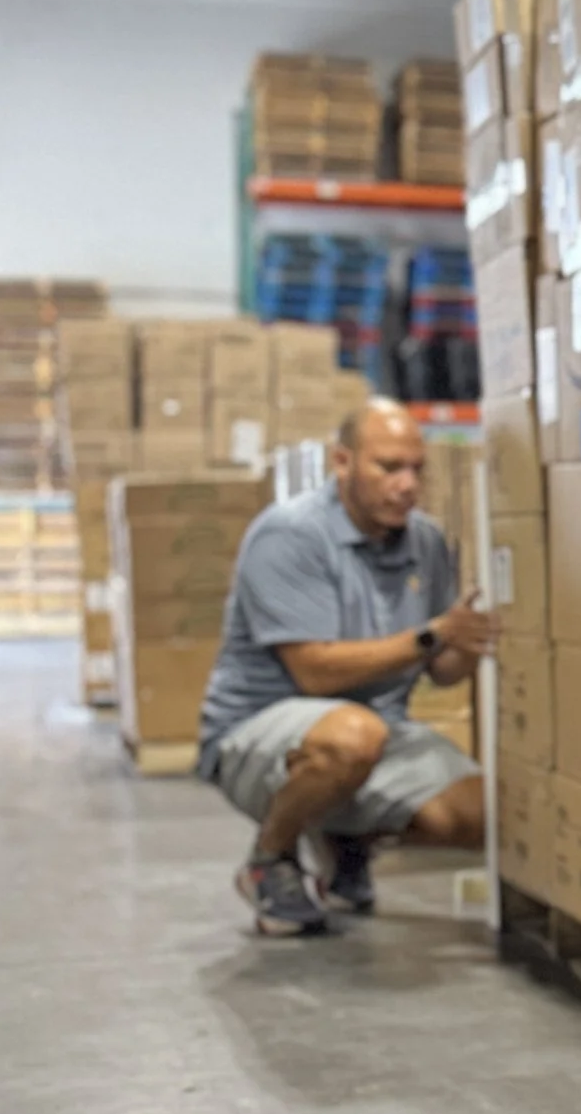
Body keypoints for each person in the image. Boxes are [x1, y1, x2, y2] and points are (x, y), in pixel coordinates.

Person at [199, 397, 498, 936]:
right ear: (342, 463)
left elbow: (443, 670)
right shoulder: (290, 536)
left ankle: (344, 838)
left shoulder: (425, 542)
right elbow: (315, 672)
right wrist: (434, 635)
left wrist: (476, 640)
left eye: (416, 470)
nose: (406, 485)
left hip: (378, 734)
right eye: (388, 468)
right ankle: (270, 859)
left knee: (482, 815)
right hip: (260, 733)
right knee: (351, 736)